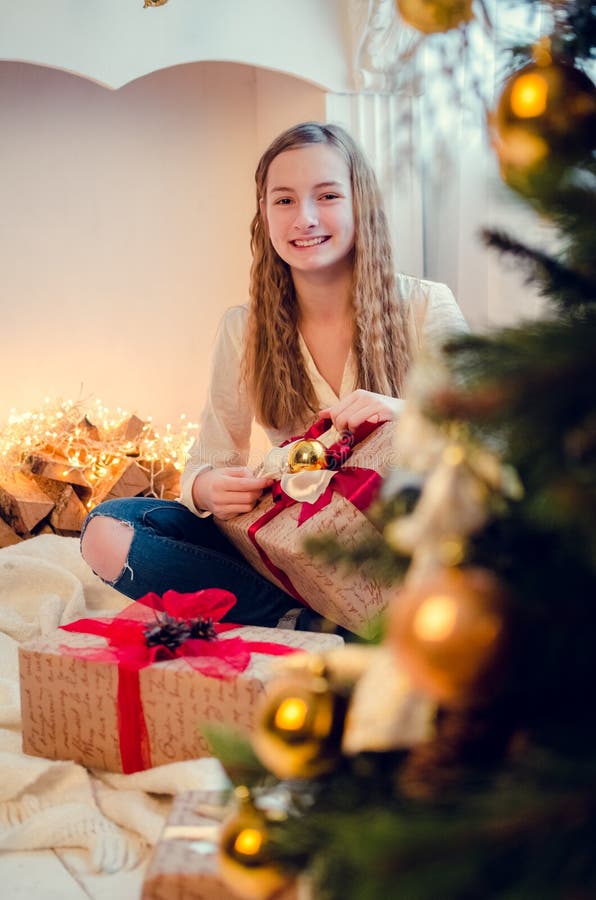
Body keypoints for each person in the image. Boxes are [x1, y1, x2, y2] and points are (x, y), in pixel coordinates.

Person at [80, 121, 467, 630]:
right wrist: (207, 488)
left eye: (327, 195)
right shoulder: (243, 329)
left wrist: (403, 413)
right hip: (285, 554)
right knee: (107, 533)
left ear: (361, 204)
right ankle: (309, 625)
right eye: (283, 200)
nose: (304, 218)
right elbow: (208, 459)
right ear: (263, 214)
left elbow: (492, 439)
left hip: (397, 553)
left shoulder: (423, 306)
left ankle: (345, 624)